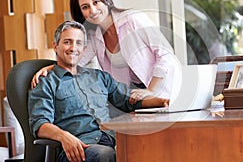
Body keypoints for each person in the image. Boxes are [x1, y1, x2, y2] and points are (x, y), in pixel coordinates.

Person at [28, 21, 169, 162]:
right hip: (78, 148)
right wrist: (64, 136)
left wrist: (163, 101)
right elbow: (40, 124)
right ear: (55, 46)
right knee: (106, 155)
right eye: (67, 42)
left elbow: (129, 100)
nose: (73, 48)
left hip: (112, 139)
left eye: (78, 43)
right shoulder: (46, 82)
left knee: (152, 147)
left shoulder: (99, 77)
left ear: (84, 49)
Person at [31, 0, 180, 98]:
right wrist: (48, 68)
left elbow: (166, 54)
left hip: (161, 89)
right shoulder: (93, 36)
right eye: (85, 7)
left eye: (96, 2)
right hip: (132, 96)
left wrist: (151, 90)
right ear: (81, 13)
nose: (93, 11)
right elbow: (75, 61)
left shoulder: (133, 19)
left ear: (105, 0)